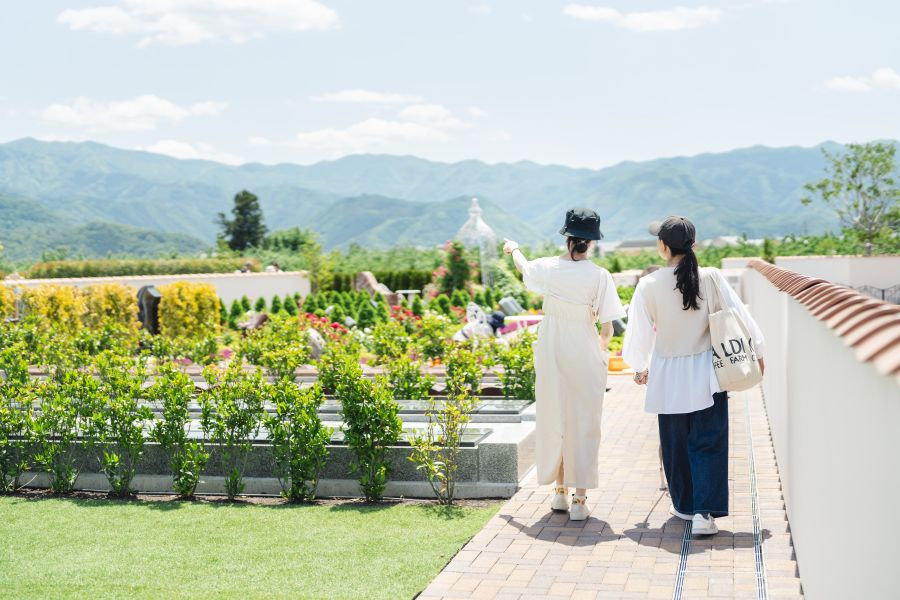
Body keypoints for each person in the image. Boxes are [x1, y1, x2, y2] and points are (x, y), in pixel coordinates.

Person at [622, 216, 766, 535]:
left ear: (663, 246)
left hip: (667, 376)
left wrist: (640, 367)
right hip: (708, 375)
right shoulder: (711, 277)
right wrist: (757, 351)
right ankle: (705, 514)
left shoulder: (648, 284)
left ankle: (685, 506)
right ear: (693, 246)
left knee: (675, 445)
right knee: (708, 442)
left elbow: (639, 333)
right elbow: (740, 315)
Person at [503, 208, 625, 521]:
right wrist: (599, 352)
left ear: (567, 237)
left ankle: (559, 493)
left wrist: (514, 247)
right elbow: (609, 328)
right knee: (584, 422)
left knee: (554, 417)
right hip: (584, 351)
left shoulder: (549, 268)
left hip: (551, 349)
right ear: (592, 242)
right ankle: (580, 501)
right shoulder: (599, 276)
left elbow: (523, 266)